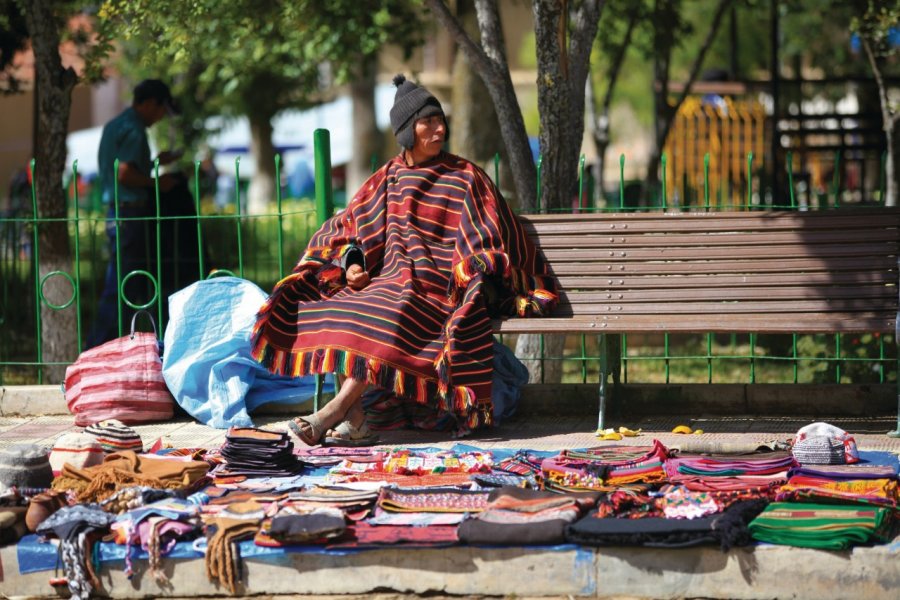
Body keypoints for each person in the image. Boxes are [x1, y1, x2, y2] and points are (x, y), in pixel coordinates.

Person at [251, 74, 558, 446]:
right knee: (342, 306)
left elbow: (491, 233)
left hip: (439, 293)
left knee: (390, 311)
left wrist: (468, 267)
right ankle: (357, 417)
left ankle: (332, 412)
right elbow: (349, 229)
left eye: (440, 119)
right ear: (406, 131)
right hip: (390, 282)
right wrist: (352, 266)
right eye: (427, 121)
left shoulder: (465, 177)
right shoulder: (387, 178)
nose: (439, 128)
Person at [86, 79, 198, 348]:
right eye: (161, 110)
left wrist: (156, 161)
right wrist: (157, 182)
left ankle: (120, 350)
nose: (160, 118)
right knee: (123, 288)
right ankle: (94, 351)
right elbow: (124, 173)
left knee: (129, 287)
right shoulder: (135, 130)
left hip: (118, 212)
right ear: (149, 103)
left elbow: (124, 166)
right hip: (131, 216)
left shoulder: (118, 124)